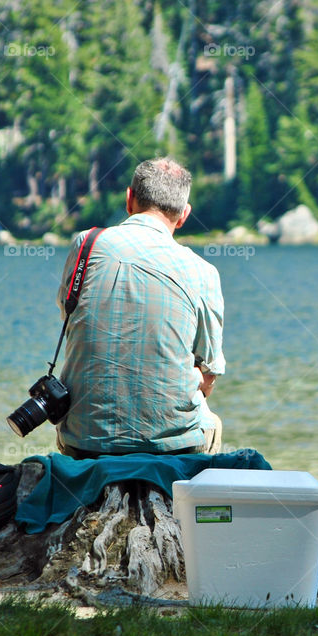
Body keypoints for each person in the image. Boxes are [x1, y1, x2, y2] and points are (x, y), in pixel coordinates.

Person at [54, 157, 225, 459]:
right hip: (172, 446)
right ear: (184, 215)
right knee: (211, 421)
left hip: (83, 440)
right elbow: (209, 376)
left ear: (129, 198)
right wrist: (193, 377)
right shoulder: (203, 272)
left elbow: (70, 319)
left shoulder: (87, 244)